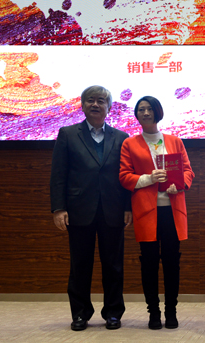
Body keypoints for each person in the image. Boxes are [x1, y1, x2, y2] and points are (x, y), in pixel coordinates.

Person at [50, 85, 131, 331]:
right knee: (80, 266)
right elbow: (59, 174)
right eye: (90, 100)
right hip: (78, 209)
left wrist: (128, 207)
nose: (95, 104)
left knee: (114, 266)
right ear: (83, 105)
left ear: (109, 107)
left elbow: (127, 175)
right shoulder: (67, 134)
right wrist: (58, 208)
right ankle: (80, 314)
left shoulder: (122, 137)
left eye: (101, 100)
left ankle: (113, 313)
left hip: (113, 209)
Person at [120, 96, 194, 330]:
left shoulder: (174, 141)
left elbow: (188, 172)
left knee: (172, 262)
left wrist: (179, 185)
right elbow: (124, 176)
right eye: (141, 109)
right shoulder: (129, 143)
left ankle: (171, 311)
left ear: (157, 112)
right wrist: (149, 178)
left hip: (172, 211)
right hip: (146, 211)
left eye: (149, 109)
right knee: (149, 263)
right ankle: (153, 312)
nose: (145, 113)